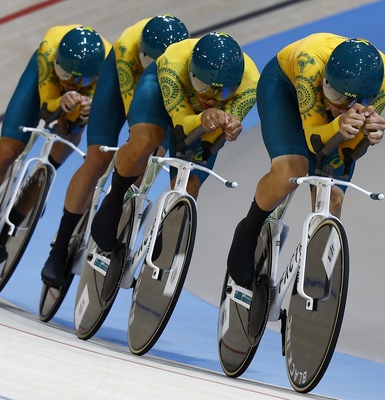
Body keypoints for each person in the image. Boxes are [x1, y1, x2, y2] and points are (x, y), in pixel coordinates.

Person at [226, 33, 385, 334]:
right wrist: (339, 121)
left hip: (333, 113)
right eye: (333, 93)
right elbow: (314, 139)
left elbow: (348, 152)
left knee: (334, 195)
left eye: (344, 101)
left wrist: (369, 135)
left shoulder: (382, 83)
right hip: (284, 90)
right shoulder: (310, 64)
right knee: (291, 170)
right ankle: (249, 228)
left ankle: (310, 282)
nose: (335, 103)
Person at [41, 15, 190, 288]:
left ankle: (119, 221)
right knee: (98, 159)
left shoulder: (182, 61)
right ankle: (59, 248)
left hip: (166, 88)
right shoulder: (127, 48)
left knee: (151, 152)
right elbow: (136, 112)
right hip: (122, 81)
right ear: (142, 53)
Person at [90, 32, 260, 255]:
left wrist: (229, 127)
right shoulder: (174, 60)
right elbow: (180, 126)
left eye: (223, 91)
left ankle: (162, 250)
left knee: (191, 182)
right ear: (190, 71)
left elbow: (210, 140)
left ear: (236, 85)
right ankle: (114, 200)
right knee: (145, 140)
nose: (210, 97)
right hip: (161, 94)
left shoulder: (250, 84)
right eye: (203, 85)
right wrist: (204, 117)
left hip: (201, 118)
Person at [0, 25, 109, 262]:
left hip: (89, 89)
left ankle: (12, 230)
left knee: (57, 156)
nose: (71, 83)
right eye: (66, 77)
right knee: (8, 150)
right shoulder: (49, 49)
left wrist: (86, 108)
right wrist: (61, 99)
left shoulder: (105, 70)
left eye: (79, 80)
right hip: (43, 84)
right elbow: (46, 109)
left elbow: (92, 115)